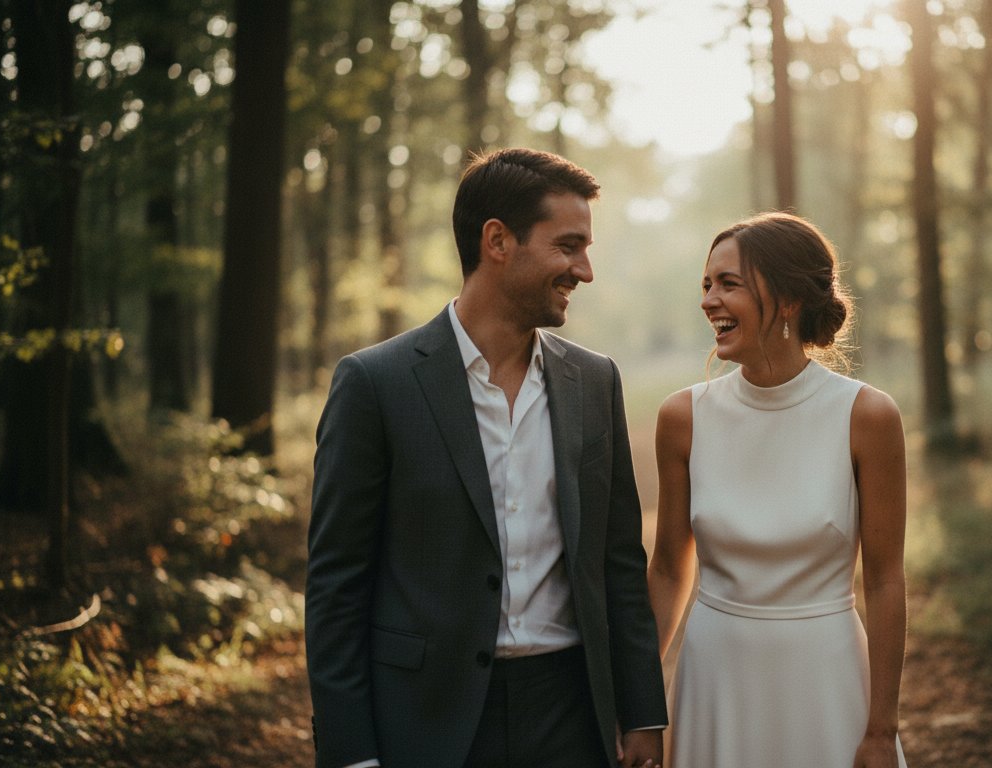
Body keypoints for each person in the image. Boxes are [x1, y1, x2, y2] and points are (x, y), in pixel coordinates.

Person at [306, 148, 667, 768]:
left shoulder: (594, 380)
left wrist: (641, 713)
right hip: (426, 717)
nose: (584, 270)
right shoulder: (375, 383)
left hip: (571, 715)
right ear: (498, 241)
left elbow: (616, 563)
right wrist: (351, 754)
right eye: (569, 245)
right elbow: (337, 586)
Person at [648, 212, 910, 768]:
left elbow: (885, 580)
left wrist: (882, 731)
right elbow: (670, 567)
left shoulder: (866, 416)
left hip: (826, 680)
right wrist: (640, 710)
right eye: (706, 284)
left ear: (788, 301)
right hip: (715, 683)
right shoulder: (683, 418)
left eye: (729, 283)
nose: (708, 300)